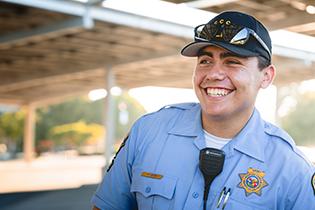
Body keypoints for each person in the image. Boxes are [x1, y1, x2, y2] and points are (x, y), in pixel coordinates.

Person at [91, 11, 315, 210]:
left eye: (233, 61)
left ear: (266, 77)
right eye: (206, 60)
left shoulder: (292, 170)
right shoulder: (147, 132)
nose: (213, 74)